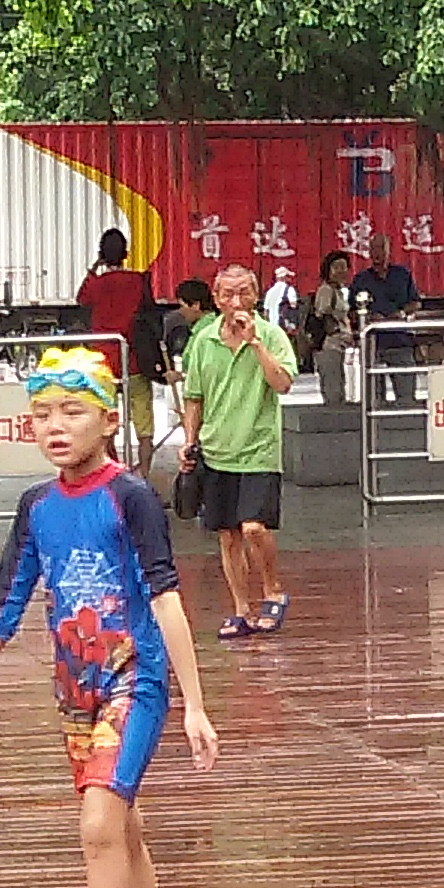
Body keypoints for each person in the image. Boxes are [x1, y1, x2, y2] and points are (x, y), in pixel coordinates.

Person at [0, 347, 218, 888]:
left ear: (108, 420)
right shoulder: (36, 506)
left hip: (133, 678)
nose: (55, 426)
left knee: (97, 827)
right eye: (42, 415)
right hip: (73, 689)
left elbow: (167, 597)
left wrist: (196, 704)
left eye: (73, 411)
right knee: (121, 827)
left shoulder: (132, 497)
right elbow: (6, 602)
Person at [178, 263, 296, 640]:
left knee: (253, 526)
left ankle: (273, 589)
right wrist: (189, 441)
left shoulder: (272, 335)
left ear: (256, 295)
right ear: (215, 299)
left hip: (258, 448)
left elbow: (282, 384)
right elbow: (193, 397)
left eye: (243, 292)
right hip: (215, 450)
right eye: (227, 294)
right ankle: (241, 609)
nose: (235, 301)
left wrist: (255, 344)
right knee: (228, 534)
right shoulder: (203, 341)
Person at [76, 227, 160, 478]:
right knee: (144, 423)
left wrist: (94, 267)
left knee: (107, 420)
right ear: (126, 254)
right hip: (134, 360)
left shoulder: (97, 284)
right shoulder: (138, 280)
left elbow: (80, 299)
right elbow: (149, 315)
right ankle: (143, 474)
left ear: (102, 254)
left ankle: (115, 471)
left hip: (104, 363)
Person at [348, 232, 421, 407]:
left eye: (381, 248)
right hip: (373, 344)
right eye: (373, 249)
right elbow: (350, 311)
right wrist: (366, 317)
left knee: (406, 397)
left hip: (400, 340)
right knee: (374, 399)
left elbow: (416, 303)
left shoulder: (402, 274)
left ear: (389, 250)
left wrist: (401, 313)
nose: (377, 253)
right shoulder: (361, 279)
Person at [310, 249, 353, 405]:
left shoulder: (339, 291)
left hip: (339, 346)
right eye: (337, 267)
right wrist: (338, 333)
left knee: (339, 386)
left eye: (344, 267)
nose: (341, 271)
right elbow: (322, 316)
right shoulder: (326, 290)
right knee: (333, 389)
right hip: (330, 345)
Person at [163, 277, 216, 371]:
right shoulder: (208, 326)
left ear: (196, 305)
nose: (180, 311)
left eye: (182, 306)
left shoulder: (205, 331)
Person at [262, 266, 298, 332]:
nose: (290, 279)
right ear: (284, 277)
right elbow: (293, 309)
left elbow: (265, 312)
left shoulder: (269, 292)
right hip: (283, 327)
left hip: (271, 328)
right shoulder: (289, 290)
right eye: (288, 277)